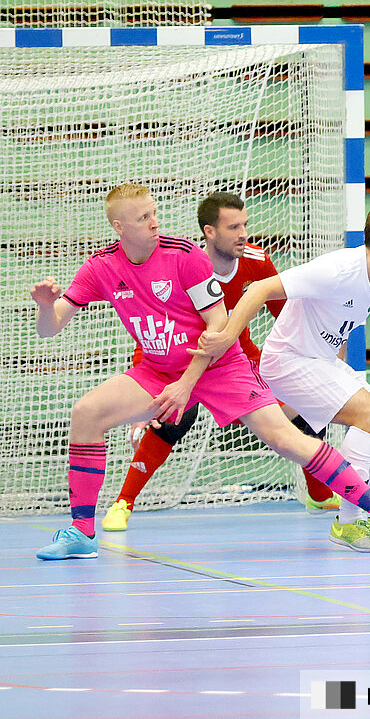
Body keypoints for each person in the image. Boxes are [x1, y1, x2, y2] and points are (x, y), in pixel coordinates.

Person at [31, 185, 370, 560]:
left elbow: (218, 324)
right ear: (119, 226)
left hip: (220, 366)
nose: (154, 222)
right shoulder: (101, 266)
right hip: (158, 369)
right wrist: (46, 306)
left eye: (154, 212)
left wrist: (186, 384)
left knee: (285, 438)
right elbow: (50, 327)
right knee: (85, 413)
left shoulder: (183, 255)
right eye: (143, 217)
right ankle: (82, 532)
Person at [197, 203, 370, 553]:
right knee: (368, 416)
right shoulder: (337, 269)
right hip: (288, 361)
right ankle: (349, 522)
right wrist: (226, 336)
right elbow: (258, 290)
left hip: (317, 360)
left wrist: (336, 368)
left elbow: (339, 325)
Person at [102, 191, 341, 532]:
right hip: (185, 361)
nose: (243, 234)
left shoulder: (258, 262)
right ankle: (123, 502)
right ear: (209, 232)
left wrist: (312, 361)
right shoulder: (182, 264)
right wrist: (147, 396)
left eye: (245, 224)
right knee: (171, 418)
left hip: (239, 363)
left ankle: (319, 494)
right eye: (233, 227)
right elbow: (152, 332)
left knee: (303, 404)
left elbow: (287, 320)